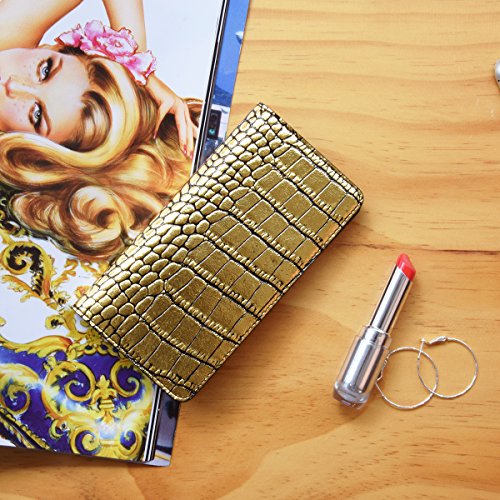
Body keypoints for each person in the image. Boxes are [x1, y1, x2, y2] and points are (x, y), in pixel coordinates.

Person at [0, 0, 200, 260]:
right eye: (45, 69)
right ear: (57, 49)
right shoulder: (9, 32)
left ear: (32, 149)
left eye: (36, 115)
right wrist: (136, 66)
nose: (14, 86)